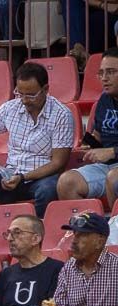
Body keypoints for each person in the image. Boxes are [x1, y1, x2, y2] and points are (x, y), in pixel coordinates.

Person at [0, 62, 73, 221]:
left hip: (42, 177)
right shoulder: (10, 108)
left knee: (48, 189)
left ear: (45, 89)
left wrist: (23, 177)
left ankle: (38, 230)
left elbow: (58, 163)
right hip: (11, 174)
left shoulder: (62, 114)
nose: (24, 100)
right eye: (19, 93)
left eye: (30, 95)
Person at [51, 211, 118, 306]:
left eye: (82, 235)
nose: (74, 241)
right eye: (75, 234)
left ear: (100, 241)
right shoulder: (68, 268)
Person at [60, 48, 118, 202]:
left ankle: (115, 219)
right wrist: (90, 144)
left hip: (113, 168)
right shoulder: (104, 100)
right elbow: (99, 135)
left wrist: (113, 152)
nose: (104, 78)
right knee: (67, 182)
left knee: (114, 179)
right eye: (101, 73)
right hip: (106, 166)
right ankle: (87, 218)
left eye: (111, 72)